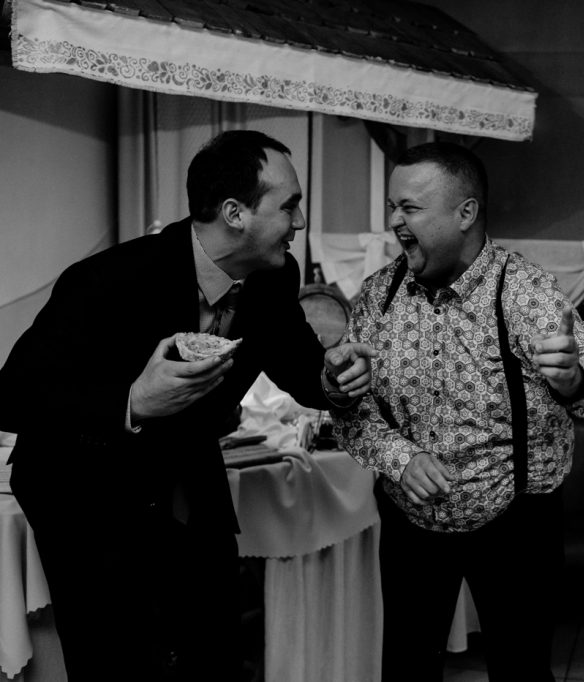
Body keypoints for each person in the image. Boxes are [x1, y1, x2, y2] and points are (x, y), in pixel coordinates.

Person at [0, 130, 375, 681]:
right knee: (116, 661)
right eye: (289, 205)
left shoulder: (275, 277)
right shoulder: (107, 280)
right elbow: (12, 396)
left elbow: (301, 366)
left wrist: (335, 378)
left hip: (188, 486)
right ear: (234, 213)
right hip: (84, 493)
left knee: (212, 649)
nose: (299, 221)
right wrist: (132, 401)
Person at [334, 141, 584, 681]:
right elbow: (352, 414)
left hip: (517, 526)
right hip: (411, 525)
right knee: (406, 670)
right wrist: (398, 456)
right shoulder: (378, 296)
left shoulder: (525, 291)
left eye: (410, 208)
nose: (394, 221)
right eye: (392, 206)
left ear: (465, 212)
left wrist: (575, 378)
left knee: (521, 672)